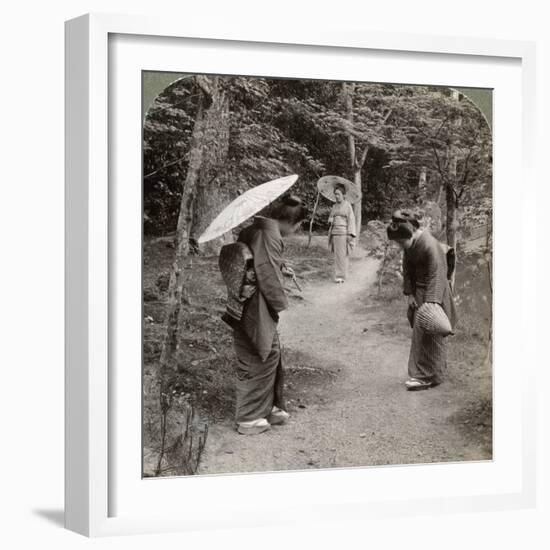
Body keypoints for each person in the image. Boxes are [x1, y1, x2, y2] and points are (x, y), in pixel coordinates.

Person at [230, 195, 308, 435]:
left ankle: (268, 407)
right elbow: (265, 273)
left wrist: (281, 264)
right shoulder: (269, 234)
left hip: (244, 299)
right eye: (297, 226)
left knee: (268, 351)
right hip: (254, 302)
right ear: (288, 221)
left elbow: (260, 260)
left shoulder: (256, 228)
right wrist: (279, 303)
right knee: (260, 353)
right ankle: (249, 416)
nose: (295, 231)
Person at [387, 210, 457, 391]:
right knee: (420, 334)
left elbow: (438, 274)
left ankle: (431, 375)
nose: (401, 246)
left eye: (402, 242)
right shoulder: (410, 246)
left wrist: (432, 303)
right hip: (419, 291)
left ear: (410, 234)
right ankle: (422, 374)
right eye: (399, 243)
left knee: (433, 333)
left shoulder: (430, 245)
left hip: (435, 293)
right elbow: (408, 270)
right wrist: (410, 293)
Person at [328, 184, 356, 283]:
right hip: (335, 232)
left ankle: (341, 276)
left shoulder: (347, 205)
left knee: (342, 255)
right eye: (335, 194)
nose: (336, 196)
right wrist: (331, 219)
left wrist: (350, 234)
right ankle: (338, 274)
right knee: (337, 255)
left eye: (338, 194)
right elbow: (331, 217)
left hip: (343, 232)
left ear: (343, 195)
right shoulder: (334, 206)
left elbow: (351, 220)